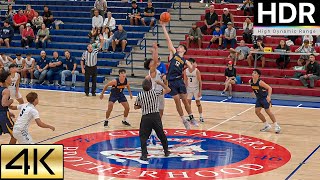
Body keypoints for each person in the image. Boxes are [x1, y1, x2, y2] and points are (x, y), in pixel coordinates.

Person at [161, 21, 197, 129]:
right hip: (171, 81)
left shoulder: (184, 60)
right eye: (179, 47)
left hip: (179, 80)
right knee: (177, 101)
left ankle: (191, 117)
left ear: (184, 50)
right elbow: (168, 40)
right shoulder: (174, 54)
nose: (178, 47)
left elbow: (191, 68)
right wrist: (163, 27)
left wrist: (192, 66)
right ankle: (183, 119)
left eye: (181, 47)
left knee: (185, 100)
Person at [134, 79, 171, 161]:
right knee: (161, 134)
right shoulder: (155, 92)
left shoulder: (140, 95)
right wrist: (161, 83)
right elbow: (168, 90)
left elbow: (135, 107)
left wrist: (142, 105)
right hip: (155, 116)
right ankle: (166, 151)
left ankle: (144, 155)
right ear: (150, 86)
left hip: (146, 117)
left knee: (143, 137)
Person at [250, 69, 281, 134]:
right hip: (259, 99)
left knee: (268, 112)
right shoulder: (250, 81)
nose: (253, 74)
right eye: (253, 73)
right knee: (257, 112)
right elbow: (254, 87)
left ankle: (276, 126)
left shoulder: (260, 82)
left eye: (255, 73)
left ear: (258, 75)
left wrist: (269, 96)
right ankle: (267, 125)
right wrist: (254, 92)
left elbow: (269, 88)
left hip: (264, 98)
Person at [144, 42, 166, 118]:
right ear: (149, 65)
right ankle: (153, 126)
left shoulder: (155, 70)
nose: (153, 62)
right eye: (151, 62)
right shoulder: (152, 70)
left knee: (161, 110)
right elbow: (155, 61)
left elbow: (154, 60)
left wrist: (153, 51)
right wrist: (156, 49)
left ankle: (158, 125)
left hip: (161, 92)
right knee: (155, 111)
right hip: (155, 93)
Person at [184, 58, 204, 122]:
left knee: (198, 103)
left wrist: (200, 91)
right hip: (189, 89)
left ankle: (201, 116)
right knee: (188, 104)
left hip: (196, 89)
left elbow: (200, 82)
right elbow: (185, 81)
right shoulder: (185, 71)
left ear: (192, 63)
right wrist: (185, 91)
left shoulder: (196, 71)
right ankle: (190, 116)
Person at [0, 70, 17, 144]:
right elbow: (4, 104)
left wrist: (8, 112)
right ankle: (8, 153)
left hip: (3, 112)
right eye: (10, 78)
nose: (11, 79)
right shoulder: (6, 90)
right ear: (6, 80)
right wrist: (11, 101)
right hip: (3, 115)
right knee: (15, 135)